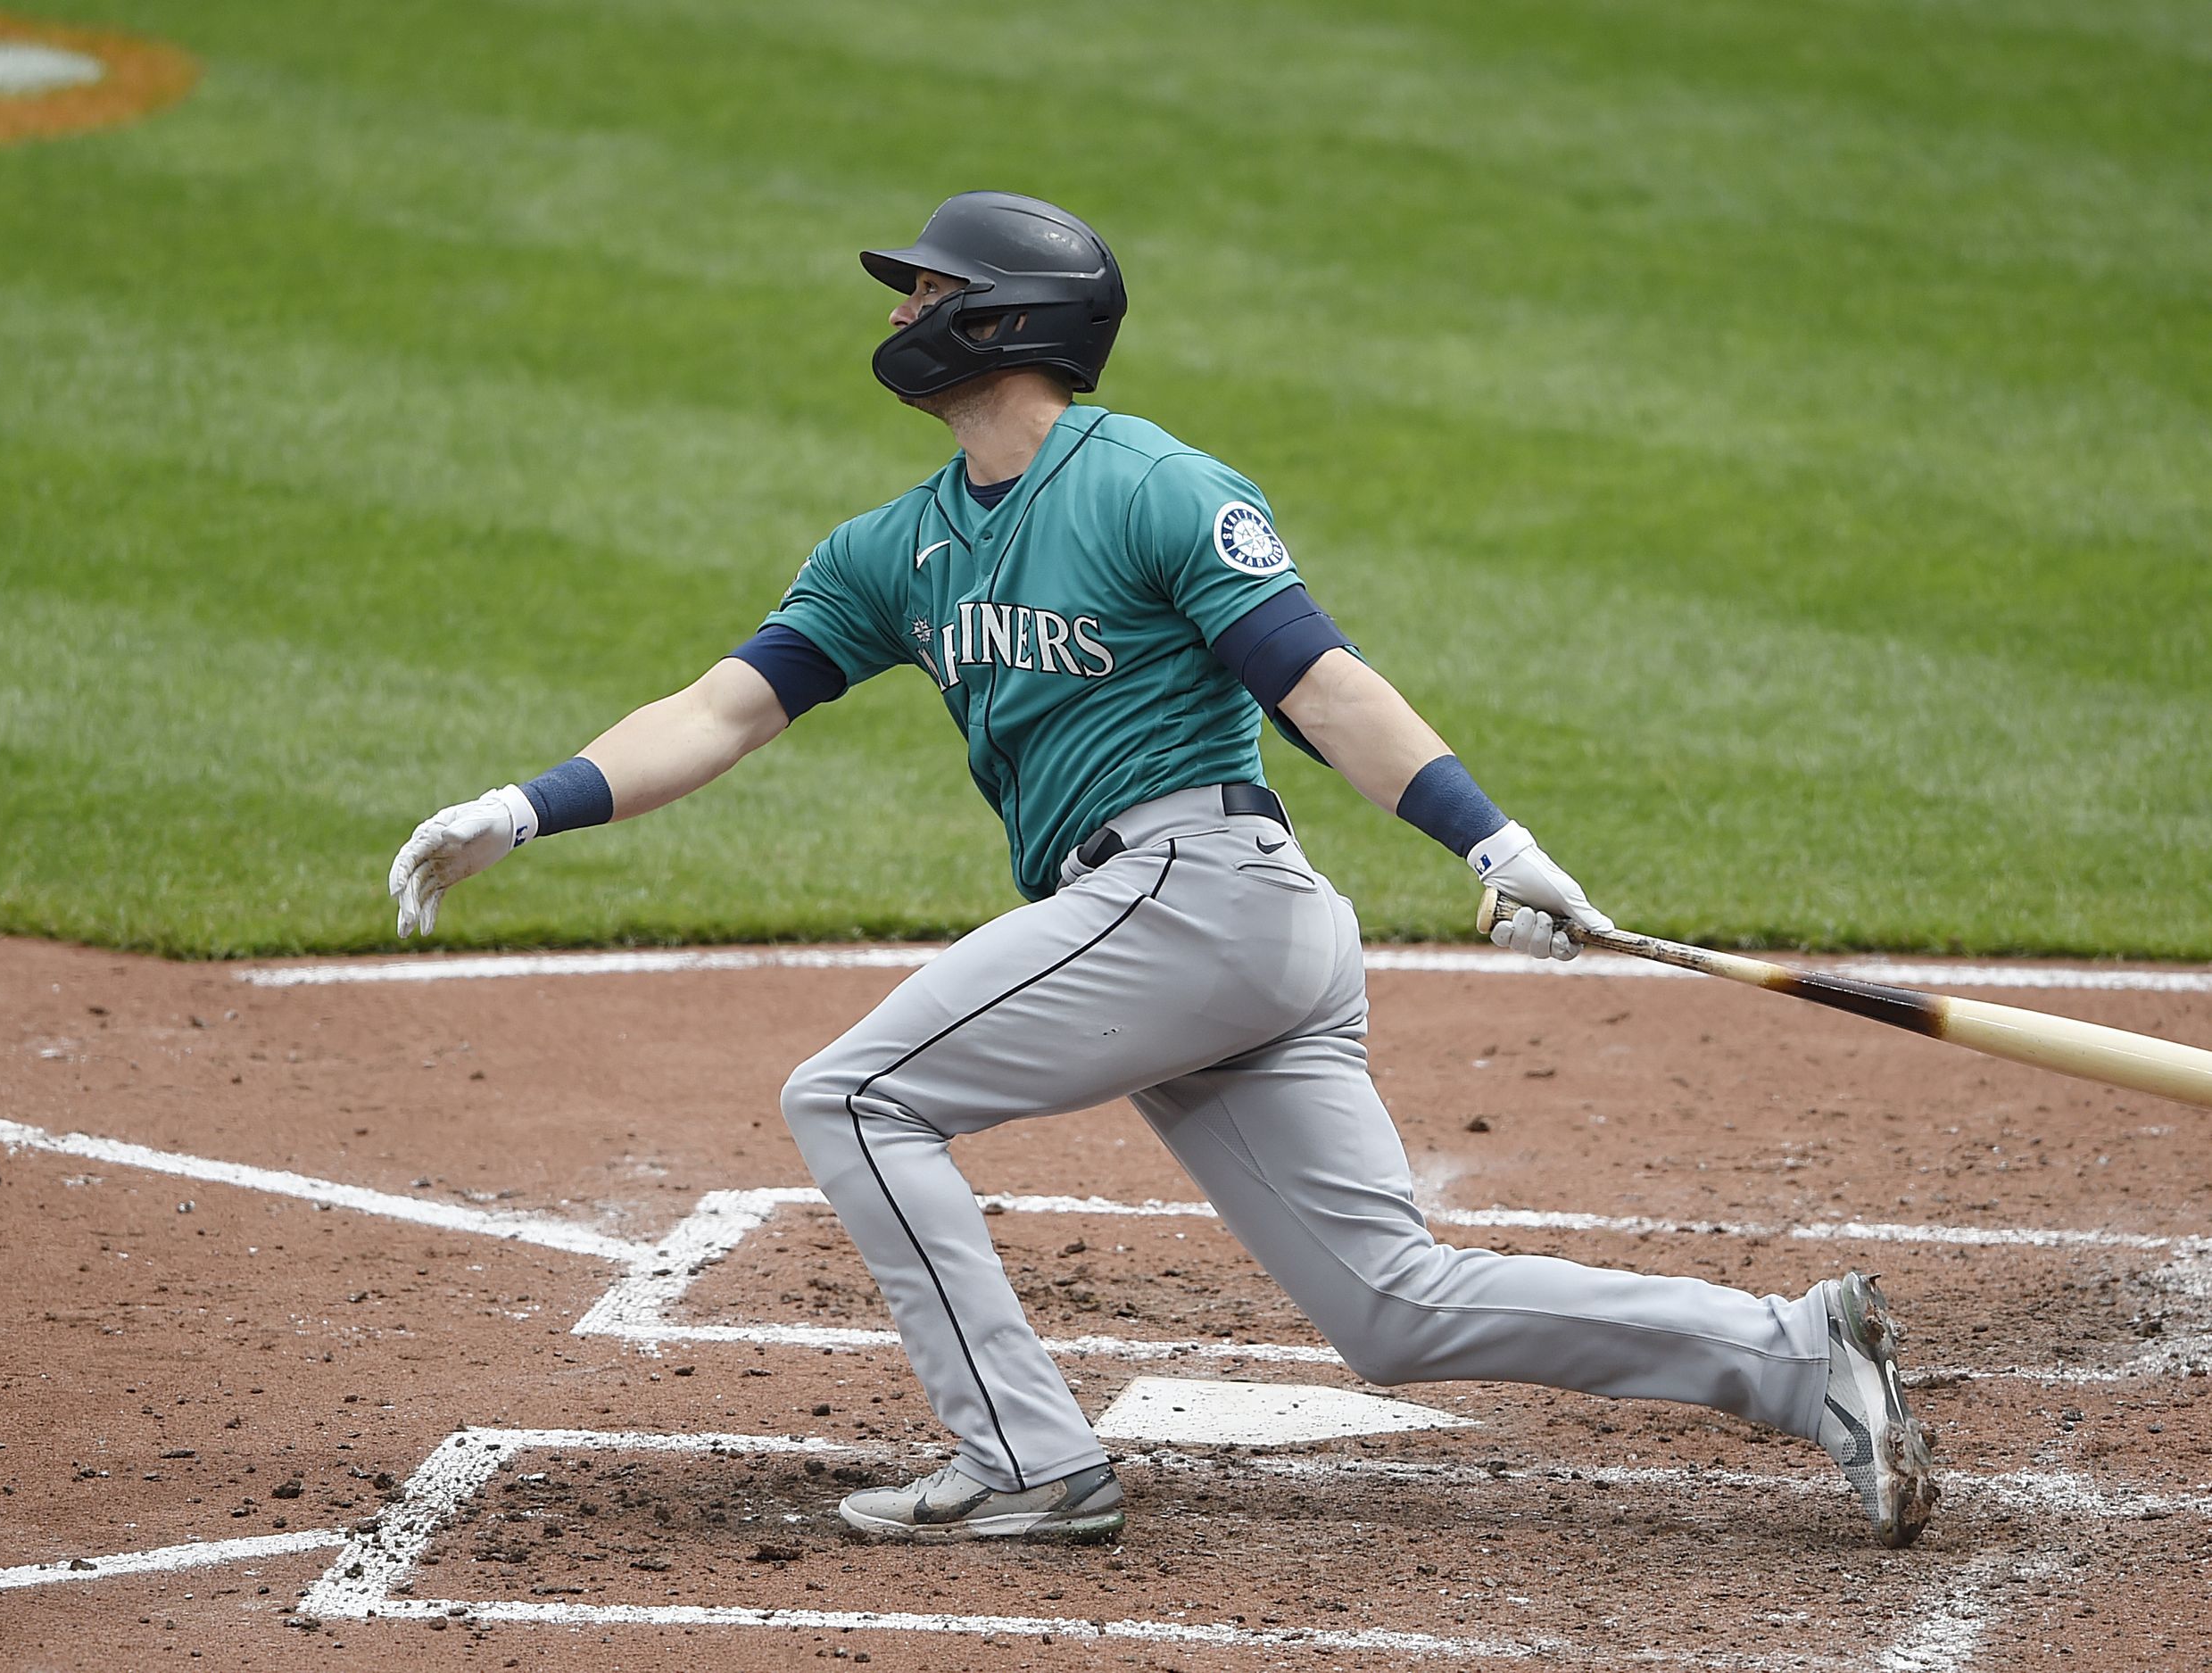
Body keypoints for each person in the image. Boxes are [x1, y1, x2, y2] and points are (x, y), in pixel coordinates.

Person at [387, 191, 1937, 1550]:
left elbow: (1317, 685)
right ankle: (1797, 1355)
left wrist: (1496, 840)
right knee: (1390, 1311)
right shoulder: (897, 546)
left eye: (924, 288)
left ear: (1002, 318)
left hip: (1199, 893)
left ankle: (1026, 1463)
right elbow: (723, 710)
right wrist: (526, 809)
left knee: (854, 1095)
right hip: (1207, 934)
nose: (897, 310)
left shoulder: (1149, 484)